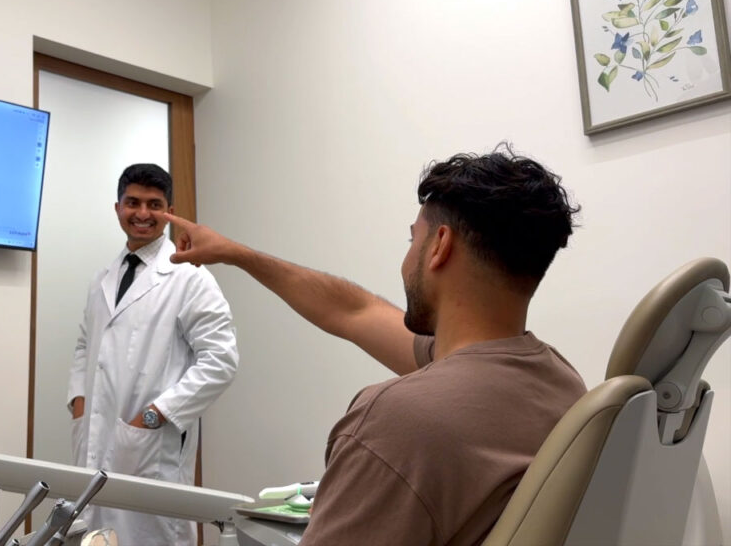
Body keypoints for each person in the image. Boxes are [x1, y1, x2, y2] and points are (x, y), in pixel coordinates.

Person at [163, 145, 588, 546]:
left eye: (413, 240)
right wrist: (236, 253)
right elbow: (355, 311)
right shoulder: (562, 383)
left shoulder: (399, 421)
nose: (407, 259)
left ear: (439, 246)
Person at [66, 163, 239, 546]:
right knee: (93, 536)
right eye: (133, 202)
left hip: (149, 449)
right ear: (118, 208)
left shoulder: (189, 277)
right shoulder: (103, 279)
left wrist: (155, 415)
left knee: (149, 535)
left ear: (169, 212)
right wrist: (79, 402)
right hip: (96, 440)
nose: (142, 214)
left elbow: (221, 361)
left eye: (154, 204)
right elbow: (84, 345)